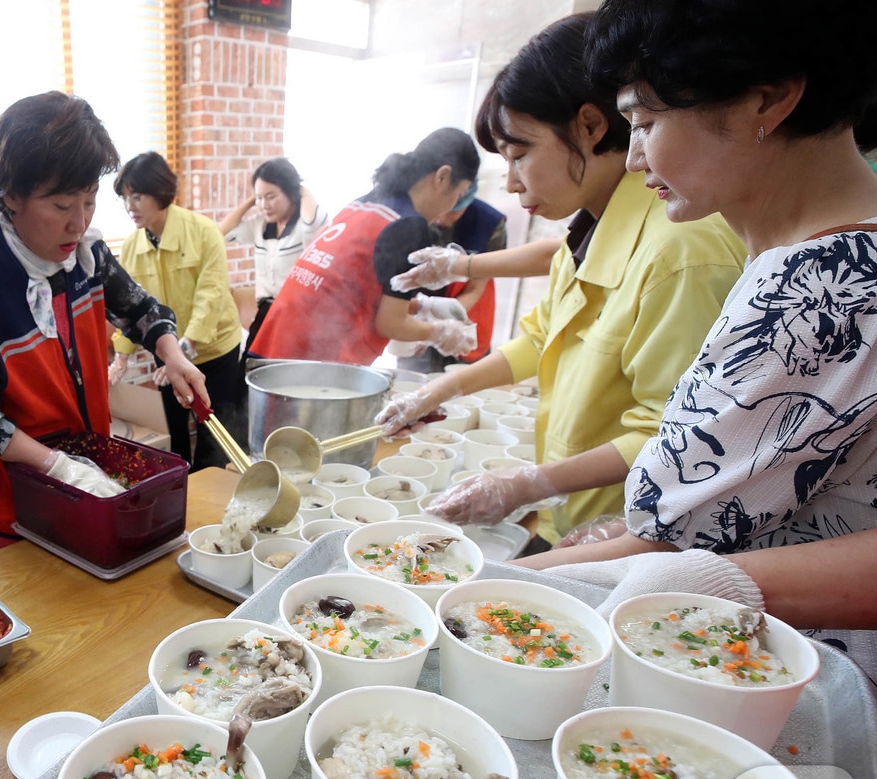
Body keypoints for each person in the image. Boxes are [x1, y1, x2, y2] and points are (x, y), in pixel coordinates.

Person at [522, 0, 877, 614]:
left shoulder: (818, 283)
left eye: (644, 122)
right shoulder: (823, 252)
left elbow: (668, 537)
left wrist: (462, 585)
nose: (634, 159)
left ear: (766, 101)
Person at [376, 13, 748, 546]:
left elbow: (671, 433)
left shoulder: (680, 251)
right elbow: (539, 338)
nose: (511, 181)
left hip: (621, 534)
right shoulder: (589, 229)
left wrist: (525, 484)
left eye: (520, 154)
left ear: (592, 126)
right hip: (566, 513)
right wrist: (444, 386)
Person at [0, 93, 208, 561]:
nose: (78, 223)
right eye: (61, 205)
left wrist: (173, 355)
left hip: (85, 484)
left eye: (89, 200)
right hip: (11, 514)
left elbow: (139, 309)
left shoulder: (84, 254)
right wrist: (59, 466)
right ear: (10, 194)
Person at [246, 128, 482, 366]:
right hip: (309, 363)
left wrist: (423, 305)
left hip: (274, 348)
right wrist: (440, 333)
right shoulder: (409, 225)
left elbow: (350, 291)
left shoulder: (365, 203)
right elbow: (390, 323)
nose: (452, 208)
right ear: (442, 176)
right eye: (459, 195)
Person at [108, 152, 244, 471]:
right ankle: (182, 488)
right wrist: (122, 356)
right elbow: (128, 305)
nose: (130, 206)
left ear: (160, 192)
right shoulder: (131, 246)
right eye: (125, 198)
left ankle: (211, 491)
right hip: (168, 349)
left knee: (212, 429)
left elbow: (210, 294)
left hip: (213, 348)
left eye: (137, 197)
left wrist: (189, 344)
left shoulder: (203, 232)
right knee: (175, 428)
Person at [216, 157, 330, 360]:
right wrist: (253, 200)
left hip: (298, 317)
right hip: (266, 316)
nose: (264, 205)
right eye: (260, 198)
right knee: (249, 378)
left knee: (287, 380)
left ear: (290, 193)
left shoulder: (303, 225)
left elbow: (313, 222)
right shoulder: (260, 225)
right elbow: (219, 233)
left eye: (271, 197)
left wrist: (301, 190)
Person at [389, 182, 508, 371]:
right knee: (414, 380)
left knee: (464, 385)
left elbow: (476, 288)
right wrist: (420, 320)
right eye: (441, 209)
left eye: (454, 211)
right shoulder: (412, 218)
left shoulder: (490, 224)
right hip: (415, 314)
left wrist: (444, 317)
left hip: (467, 315)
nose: (443, 218)